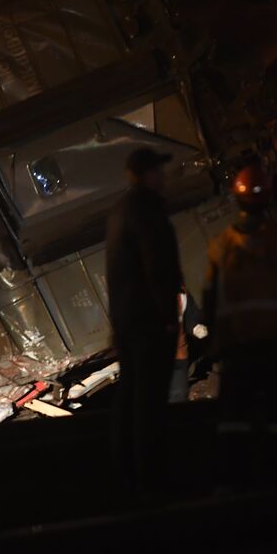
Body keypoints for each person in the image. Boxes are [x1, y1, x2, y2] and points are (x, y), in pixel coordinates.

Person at [204, 161, 277, 486]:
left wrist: (215, 341)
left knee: (234, 416)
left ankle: (234, 482)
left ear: (236, 200)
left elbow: (210, 299)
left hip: (238, 346)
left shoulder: (221, 245)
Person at [105, 146, 184, 496]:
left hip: (128, 322)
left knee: (132, 397)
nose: (163, 177)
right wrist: (169, 317)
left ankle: (125, 473)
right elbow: (158, 266)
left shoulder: (119, 211)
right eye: (158, 171)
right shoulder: (147, 211)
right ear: (147, 174)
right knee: (150, 404)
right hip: (150, 323)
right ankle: (151, 479)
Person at [169, 291, 208, 403]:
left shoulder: (183, 294)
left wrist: (195, 327)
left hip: (180, 355)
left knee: (179, 394)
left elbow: (190, 314)